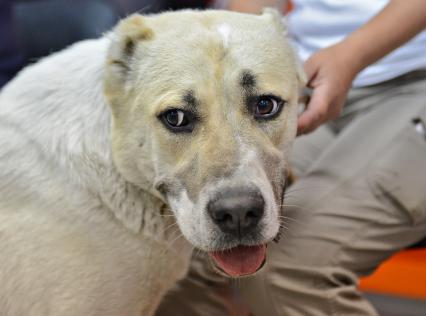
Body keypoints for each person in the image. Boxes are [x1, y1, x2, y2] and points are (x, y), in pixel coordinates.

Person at [156, 0, 426, 315]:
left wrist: (350, 56)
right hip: (307, 81)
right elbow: (251, 13)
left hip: (411, 78)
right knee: (177, 251)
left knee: (291, 270)